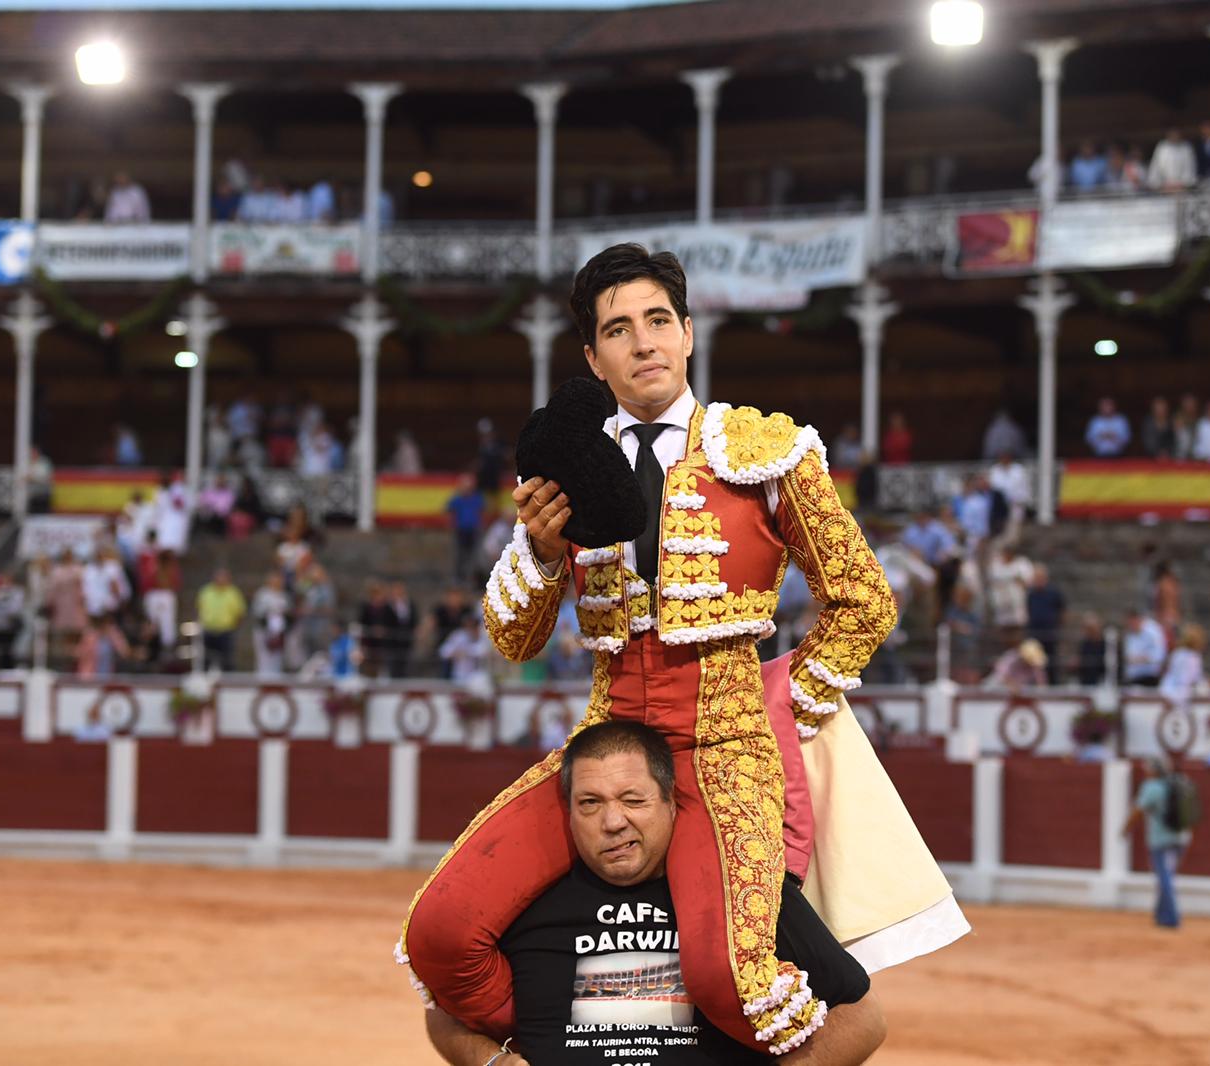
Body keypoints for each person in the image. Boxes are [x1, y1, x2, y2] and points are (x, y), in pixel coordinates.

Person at [401, 243, 960, 1056]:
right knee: (443, 932)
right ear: (595, 358)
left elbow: (863, 599)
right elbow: (511, 637)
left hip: (728, 750)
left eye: (658, 320)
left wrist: (785, 701)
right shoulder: (566, 470)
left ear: (689, 332)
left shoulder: (766, 451)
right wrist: (542, 550)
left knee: (728, 977)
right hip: (609, 745)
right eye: (619, 330)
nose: (644, 342)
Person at [424, 721, 887, 1066]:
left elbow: (863, 1018)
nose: (613, 822)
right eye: (590, 803)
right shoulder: (526, 898)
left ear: (670, 802)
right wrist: (492, 1062)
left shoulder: (739, 890)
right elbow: (444, 1010)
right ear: (567, 812)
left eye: (633, 800)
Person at [1123, 755, 1190, 929]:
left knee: (1164, 877)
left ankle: (1172, 918)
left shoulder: (1152, 787)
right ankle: (1161, 916)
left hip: (1161, 840)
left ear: (1153, 771)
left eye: (1148, 769)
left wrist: (1126, 829)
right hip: (1181, 838)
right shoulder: (1178, 782)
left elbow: (1138, 810)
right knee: (1166, 876)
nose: (1146, 772)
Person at [197, 567, 247, 672]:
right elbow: (199, 607)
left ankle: (228, 683)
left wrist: (233, 627)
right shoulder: (206, 591)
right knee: (207, 659)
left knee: (227, 660)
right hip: (209, 630)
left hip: (226, 631)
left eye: (224, 577)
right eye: (219, 577)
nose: (221, 579)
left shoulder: (233, 593)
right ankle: (205, 683)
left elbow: (240, 612)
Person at [1025, 564, 1066, 684]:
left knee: (1050, 659)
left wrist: (1058, 626)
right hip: (1035, 632)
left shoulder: (1054, 593)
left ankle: (1052, 682)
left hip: (1050, 631)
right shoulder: (1031, 594)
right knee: (1033, 659)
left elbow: (1062, 610)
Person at [251, 571, 293, 678]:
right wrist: (269, 613)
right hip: (264, 629)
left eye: (279, 581)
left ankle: (276, 679)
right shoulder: (263, 594)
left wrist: (283, 615)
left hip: (279, 631)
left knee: (277, 657)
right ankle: (263, 679)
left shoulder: (284, 596)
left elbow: (289, 612)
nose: (277, 582)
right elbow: (257, 611)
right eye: (274, 580)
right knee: (264, 657)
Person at [1159, 625, 1208, 710]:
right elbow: (1191, 678)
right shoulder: (1192, 657)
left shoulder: (1178, 653)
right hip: (1178, 692)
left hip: (1169, 689)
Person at [1123, 607, 1168, 687]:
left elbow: (1159, 655)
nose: (1130, 625)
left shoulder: (1153, 632)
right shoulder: (1129, 634)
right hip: (1133, 677)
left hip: (1149, 677)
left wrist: (1141, 659)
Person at [1147, 127, 1197, 191]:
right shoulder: (1162, 147)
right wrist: (1160, 184)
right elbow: (1155, 166)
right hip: (1164, 187)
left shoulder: (1186, 147)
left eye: (1176, 134)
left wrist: (1183, 183)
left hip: (1183, 188)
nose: (1174, 136)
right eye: (1172, 134)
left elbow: (1190, 167)